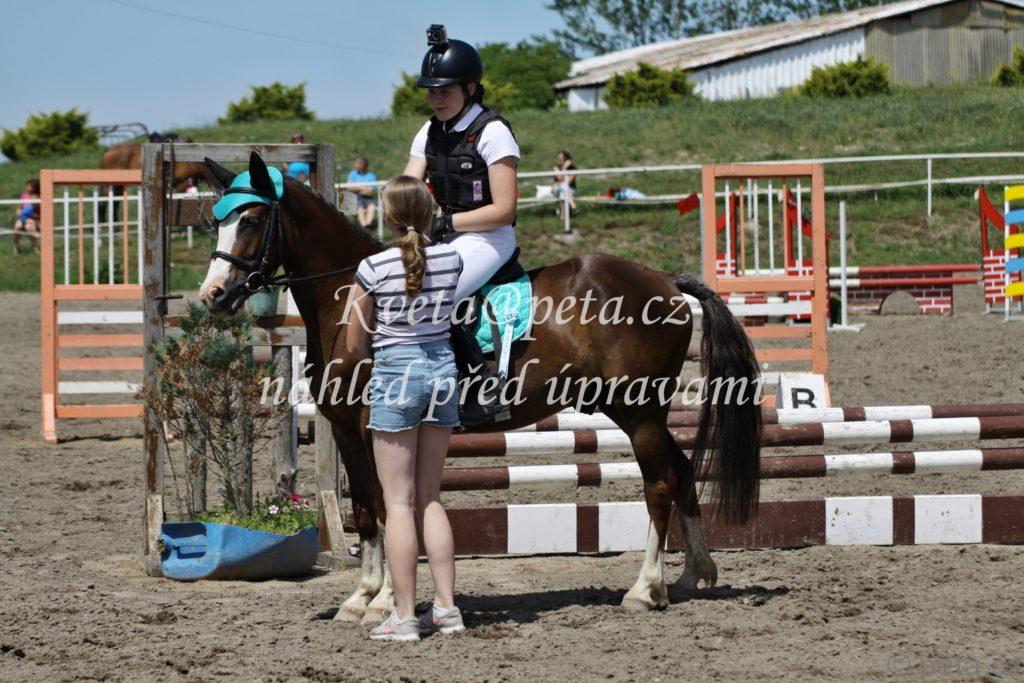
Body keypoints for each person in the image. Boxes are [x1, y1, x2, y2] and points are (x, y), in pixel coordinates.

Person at [346, 175, 466, 642]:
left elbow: (355, 341)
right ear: (430, 213)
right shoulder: (452, 258)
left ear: (388, 217)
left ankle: (404, 615)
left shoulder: (372, 266)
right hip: (442, 372)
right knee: (430, 498)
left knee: (398, 503)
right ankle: (447, 609)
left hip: (397, 374)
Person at [402, 23, 520, 425]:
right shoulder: (429, 131)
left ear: (469, 89)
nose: (435, 99)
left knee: (436, 294)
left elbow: (504, 210)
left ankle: (483, 386)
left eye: (444, 91)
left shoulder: (493, 132)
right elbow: (409, 185)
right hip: (446, 235)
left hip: (489, 237)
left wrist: (445, 220)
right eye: (431, 92)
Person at [347, 157, 378, 229]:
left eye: (358, 163)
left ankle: (368, 225)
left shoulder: (371, 176)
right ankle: (364, 226)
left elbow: (370, 192)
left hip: (369, 198)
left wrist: (357, 188)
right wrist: (364, 188)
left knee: (372, 206)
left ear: (363, 166)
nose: (355, 165)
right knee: (360, 208)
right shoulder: (352, 174)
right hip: (356, 198)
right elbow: (350, 187)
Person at [12, 179, 40, 254]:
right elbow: (20, 208)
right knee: (17, 226)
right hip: (23, 217)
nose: (26, 187)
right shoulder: (24, 196)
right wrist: (19, 212)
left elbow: (39, 214)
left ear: (34, 188)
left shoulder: (38, 197)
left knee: (29, 226)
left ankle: (35, 247)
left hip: (33, 218)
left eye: (28, 186)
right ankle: (15, 247)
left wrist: (32, 217)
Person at [552, 150, 577, 218]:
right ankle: (573, 206)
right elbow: (559, 177)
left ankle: (562, 215)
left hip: (570, 190)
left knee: (563, 191)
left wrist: (559, 183)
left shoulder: (572, 168)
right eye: (558, 158)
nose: (558, 160)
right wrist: (564, 168)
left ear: (565, 159)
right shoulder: (556, 167)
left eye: (560, 158)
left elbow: (568, 181)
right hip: (557, 190)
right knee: (563, 188)